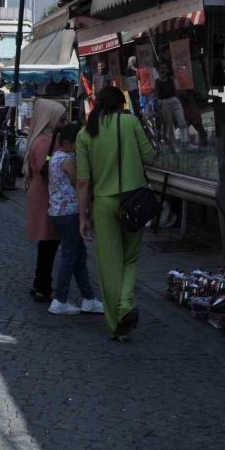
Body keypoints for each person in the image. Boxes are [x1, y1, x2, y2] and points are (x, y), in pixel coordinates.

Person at [77, 86, 155, 340]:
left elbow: (83, 181)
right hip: (134, 200)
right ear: (122, 105)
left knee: (108, 266)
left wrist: (82, 216)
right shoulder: (131, 122)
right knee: (130, 258)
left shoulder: (85, 134)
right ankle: (125, 305)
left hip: (103, 202)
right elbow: (150, 157)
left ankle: (116, 326)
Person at [47, 124, 103, 315]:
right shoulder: (68, 159)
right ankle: (60, 300)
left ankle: (88, 298)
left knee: (78, 256)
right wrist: (87, 210)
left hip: (57, 211)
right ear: (67, 143)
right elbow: (78, 183)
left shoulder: (54, 157)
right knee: (70, 256)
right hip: (69, 212)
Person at [25, 99, 67, 303]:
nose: (65, 123)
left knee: (48, 242)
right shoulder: (45, 142)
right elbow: (48, 171)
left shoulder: (44, 139)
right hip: (45, 195)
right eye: (62, 119)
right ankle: (43, 285)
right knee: (49, 242)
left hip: (42, 193)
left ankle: (40, 283)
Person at [155, 61, 188, 145]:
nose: (164, 70)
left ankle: (186, 142)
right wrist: (159, 108)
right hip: (164, 103)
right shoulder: (157, 82)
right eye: (162, 68)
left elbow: (177, 90)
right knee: (169, 125)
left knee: (182, 122)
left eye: (165, 68)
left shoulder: (171, 79)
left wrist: (179, 100)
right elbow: (157, 96)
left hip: (174, 100)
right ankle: (173, 144)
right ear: (158, 70)